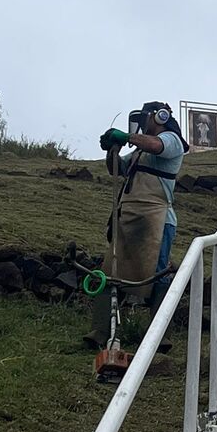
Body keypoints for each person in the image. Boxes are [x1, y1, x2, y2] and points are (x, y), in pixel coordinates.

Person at [83, 101, 189, 352]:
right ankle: (101, 331)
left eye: (146, 118)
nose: (142, 124)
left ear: (158, 117)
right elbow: (117, 169)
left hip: (157, 219)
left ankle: (159, 335)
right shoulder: (139, 153)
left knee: (158, 273)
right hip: (130, 216)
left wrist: (128, 136)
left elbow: (156, 145)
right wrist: (113, 149)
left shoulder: (172, 140)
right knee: (112, 271)